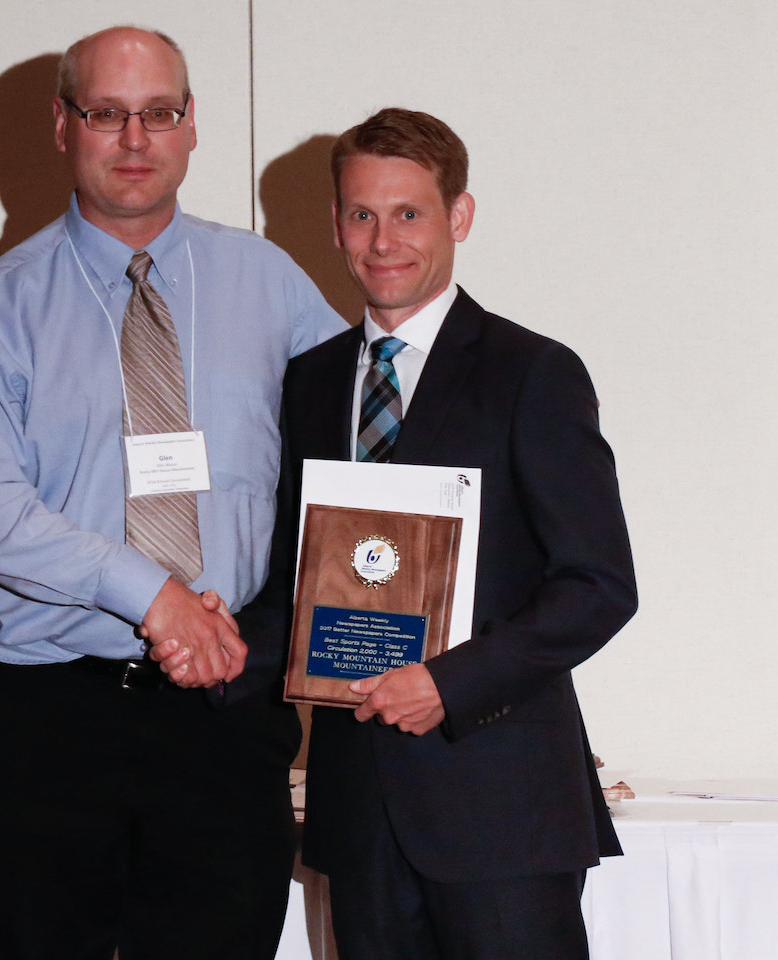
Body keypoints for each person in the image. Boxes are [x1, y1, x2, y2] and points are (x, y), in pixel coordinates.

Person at [0, 26, 344, 960]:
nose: (136, 139)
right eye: (108, 114)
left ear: (192, 124)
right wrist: (152, 594)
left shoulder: (270, 285)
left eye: (159, 113)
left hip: (223, 719)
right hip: (40, 716)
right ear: (62, 125)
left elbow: (349, 451)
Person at [270, 108, 637, 959]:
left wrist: (449, 683)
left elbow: (598, 587)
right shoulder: (308, 383)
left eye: (409, 213)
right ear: (335, 225)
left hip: (502, 808)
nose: (383, 240)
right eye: (362, 214)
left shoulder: (533, 373)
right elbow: (295, 575)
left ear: (459, 217)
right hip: (359, 813)